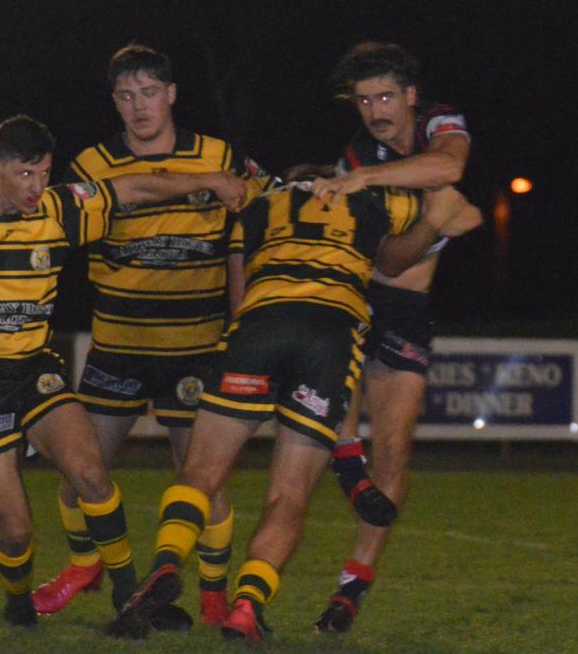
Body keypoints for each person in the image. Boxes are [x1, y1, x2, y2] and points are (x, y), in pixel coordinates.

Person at [105, 165, 475, 641]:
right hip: (328, 334)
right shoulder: (366, 203)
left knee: (200, 471)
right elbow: (396, 260)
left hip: (262, 323)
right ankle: (247, 603)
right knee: (288, 494)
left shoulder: (259, 208)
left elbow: (238, 300)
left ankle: (166, 561)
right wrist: (433, 222)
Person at [32, 44, 269, 626]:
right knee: (77, 473)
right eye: (125, 96)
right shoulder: (92, 164)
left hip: (196, 348)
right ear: (114, 101)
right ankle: (85, 564)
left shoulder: (221, 156)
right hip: (117, 345)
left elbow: (261, 223)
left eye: (149, 93)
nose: (138, 107)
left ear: (172, 95)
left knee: (204, 483)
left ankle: (214, 594)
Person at [0, 114, 245, 628]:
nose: (37, 186)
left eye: (44, 173)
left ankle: (128, 600)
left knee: (90, 472)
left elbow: (133, 185)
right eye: (24, 174)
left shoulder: (61, 209)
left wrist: (210, 179)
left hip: (36, 373)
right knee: (16, 531)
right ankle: (18, 602)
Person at [309, 41, 480, 634]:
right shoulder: (358, 152)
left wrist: (372, 183)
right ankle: (345, 461)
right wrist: (439, 219)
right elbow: (384, 261)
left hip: (408, 308)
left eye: (384, 96)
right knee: (334, 388)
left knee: (396, 452)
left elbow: (450, 167)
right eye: (363, 100)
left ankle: (352, 587)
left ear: (410, 96)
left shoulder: (435, 124)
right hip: (362, 290)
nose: (375, 110)